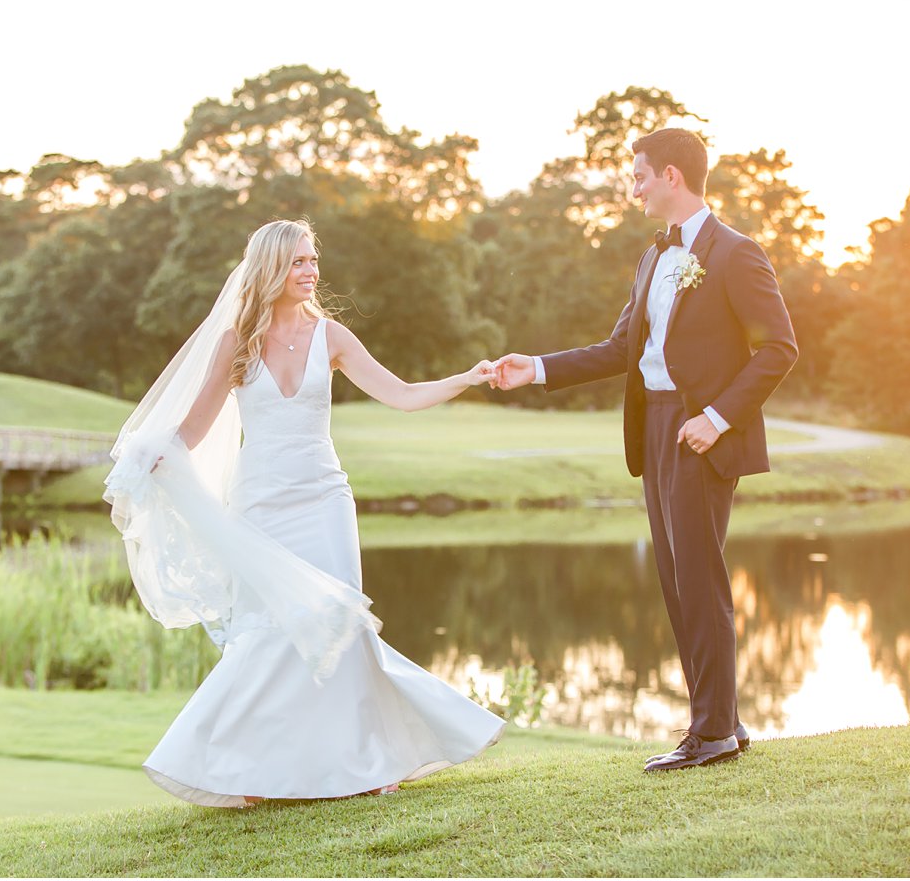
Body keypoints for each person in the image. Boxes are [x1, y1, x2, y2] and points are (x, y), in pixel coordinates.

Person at [104, 218, 504, 808]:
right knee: (268, 634)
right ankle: (254, 774)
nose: (311, 271)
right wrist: (152, 456)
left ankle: (368, 764)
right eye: (297, 262)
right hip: (261, 503)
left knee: (340, 625)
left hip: (324, 499)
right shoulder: (237, 341)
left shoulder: (332, 337)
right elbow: (194, 427)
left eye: (313, 259)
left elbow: (401, 394)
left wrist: (468, 377)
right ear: (270, 268)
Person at [492, 128, 797, 771]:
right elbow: (618, 350)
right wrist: (538, 369)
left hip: (698, 433)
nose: (632, 187)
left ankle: (711, 733)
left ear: (671, 177)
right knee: (676, 579)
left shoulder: (737, 253)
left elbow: (778, 350)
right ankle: (723, 722)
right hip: (654, 429)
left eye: (638, 176)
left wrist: (716, 418)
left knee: (699, 577)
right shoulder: (651, 258)